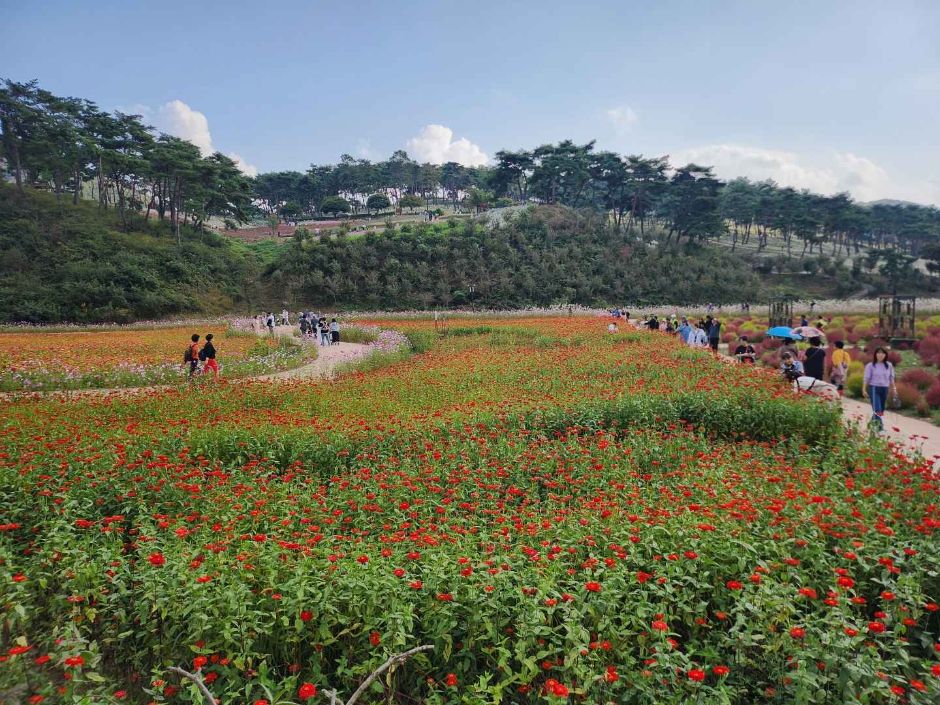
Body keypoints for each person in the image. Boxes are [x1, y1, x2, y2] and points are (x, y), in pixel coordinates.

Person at [863, 347, 897, 432]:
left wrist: (894, 388)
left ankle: (870, 424)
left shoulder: (889, 365)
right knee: (877, 409)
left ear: (885, 355)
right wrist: (863, 389)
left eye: (882, 353)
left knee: (881, 410)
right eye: (878, 353)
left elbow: (891, 378)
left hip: (885, 389)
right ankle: (880, 428)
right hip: (874, 389)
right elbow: (866, 378)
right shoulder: (870, 365)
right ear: (875, 355)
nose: (880, 355)